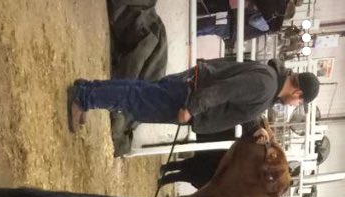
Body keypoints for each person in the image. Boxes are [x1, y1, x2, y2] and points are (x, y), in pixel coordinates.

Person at [67, 62, 320, 135]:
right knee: (136, 99)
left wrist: (255, 129)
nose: (296, 105)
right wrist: (192, 107)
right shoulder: (265, 86)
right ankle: (83, 97)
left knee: (140, 91)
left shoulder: (269, 84)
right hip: (189, 95)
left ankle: (87, 89)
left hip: (192, 88)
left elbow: (239, 105)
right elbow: (226, 90)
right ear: (298, 93)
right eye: (300, 103)